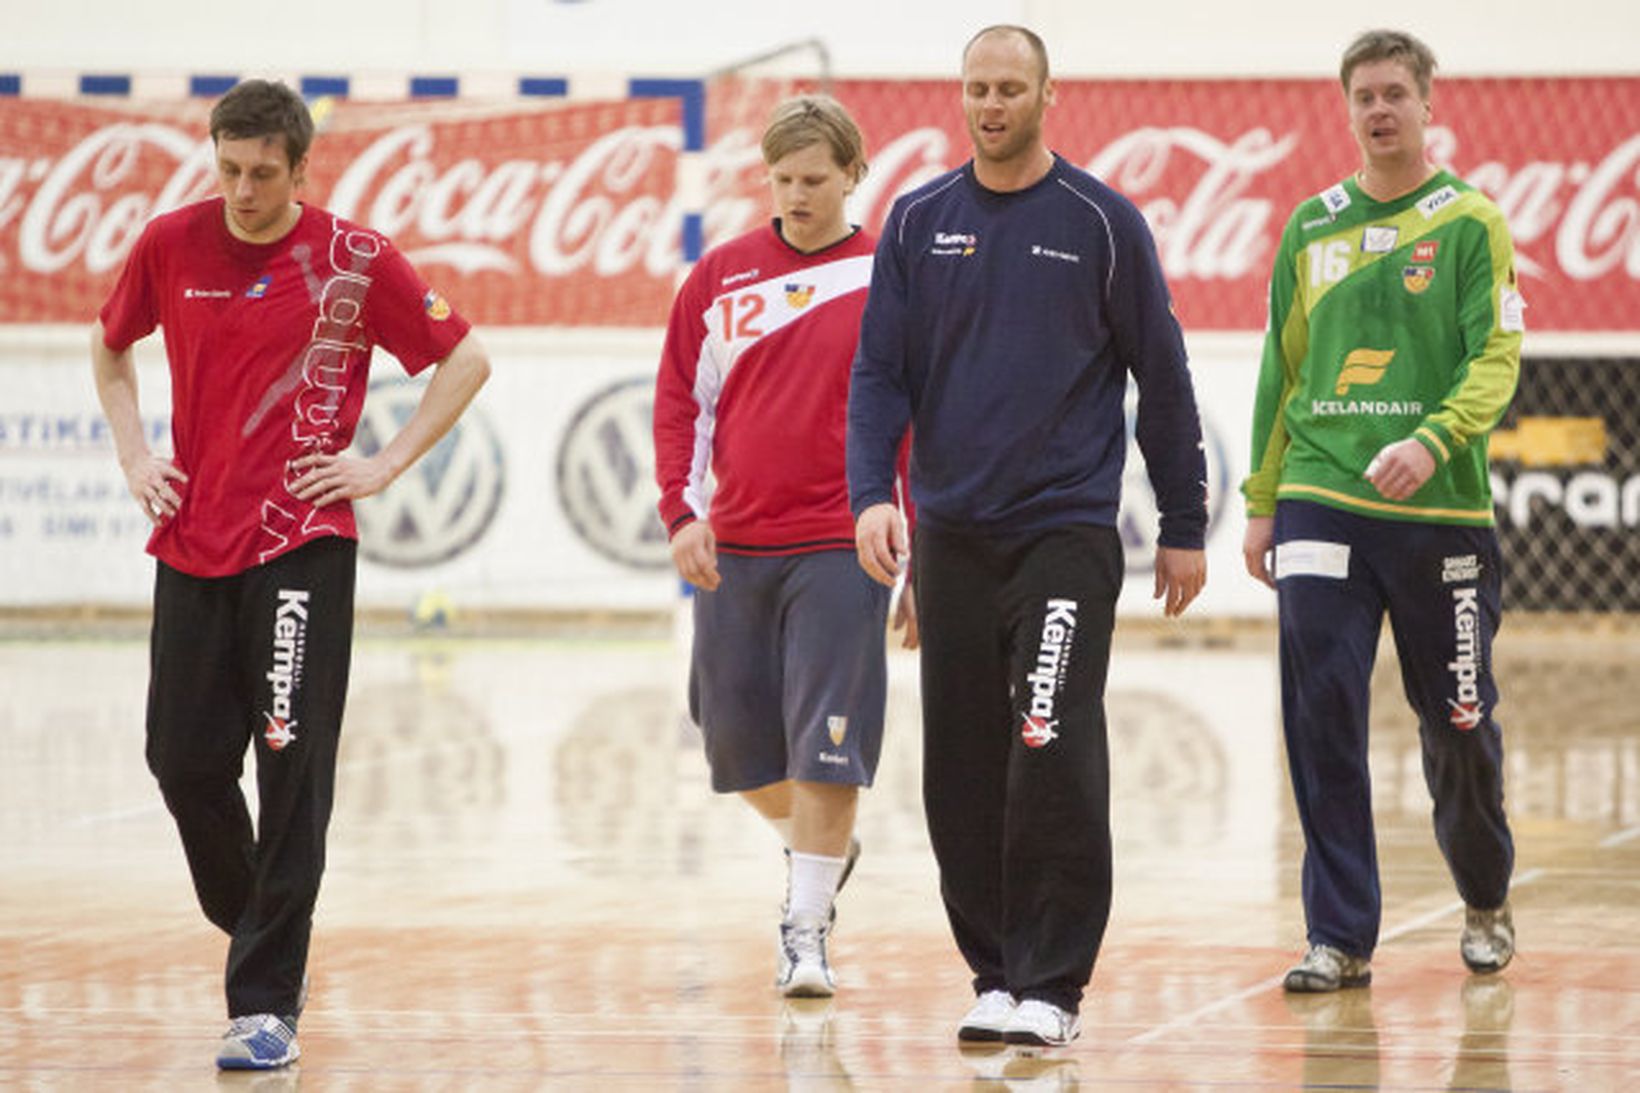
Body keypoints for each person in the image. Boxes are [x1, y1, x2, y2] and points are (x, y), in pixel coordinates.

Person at [90, 79, 490, 1069]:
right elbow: (108, 350)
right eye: (227, 169)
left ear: (302, 169)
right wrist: (137, 456)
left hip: (302, 541)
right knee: (182, 761)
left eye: (263, 174)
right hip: (191, 540)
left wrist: (382, 464)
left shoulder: (353, 258)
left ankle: (264, 1003)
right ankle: (266, 927)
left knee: (289, 763)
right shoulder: (170, 244)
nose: (242, 191)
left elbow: (466, 359)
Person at [848, 25, 1209, 1048]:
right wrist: (873, 492)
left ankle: (1053, 983)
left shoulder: (1101, 223)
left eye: (1010, 88)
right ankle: (995, 972)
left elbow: (1163, 376)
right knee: (957, 763)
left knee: (1045, 740)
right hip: (950, 538)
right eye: (976, 89)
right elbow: (878, 374)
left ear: (1048, 94)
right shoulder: (917, 221)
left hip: (1063, 532)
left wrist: (1182, 521)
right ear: (958, 98)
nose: (991, 104)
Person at [1240, 28, 1524, 994]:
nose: (1379, 109)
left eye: (1395, 92)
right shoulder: (1310, 226)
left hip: (1439, 509)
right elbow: (1282, 370)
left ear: (1427, 103)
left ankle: (1484, 895)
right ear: (1346, 106)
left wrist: (1434, 438)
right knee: (1319, 713)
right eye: (1363, 94)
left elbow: (1496, 358)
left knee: (1456, 719)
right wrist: (1261, 500)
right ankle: (1340, 935)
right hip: (1323, 499)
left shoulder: (1472, 222)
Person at [652, 94, 915, 999]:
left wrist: (911, 545)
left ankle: (806, 927)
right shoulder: (719, 278)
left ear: (852, 175)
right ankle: (821, 849)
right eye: (783, 179)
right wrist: (682, 515)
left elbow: (917, 418)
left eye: (815, 179)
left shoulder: (893, 271)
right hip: (738, 543)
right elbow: (681, 403)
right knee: (731, 742)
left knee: (828, 741)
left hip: (847, 541)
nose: (797, 195)